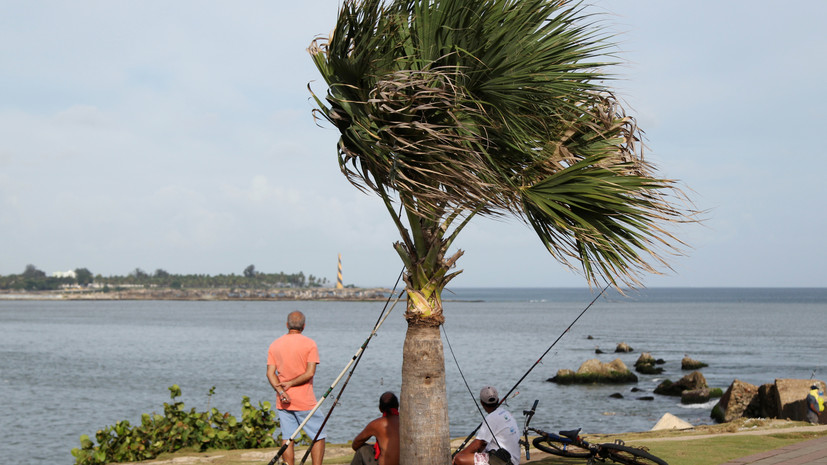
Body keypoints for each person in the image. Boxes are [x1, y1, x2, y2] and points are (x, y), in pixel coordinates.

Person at [266, 310, 326, 465]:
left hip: (283, 401)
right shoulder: (310, 344)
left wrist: (281, 391)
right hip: (305, 400)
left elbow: (270, 373)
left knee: (288, 437)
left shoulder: (275, 344)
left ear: (287, 325)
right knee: (318, 435)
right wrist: (291, 384)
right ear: (304, 326)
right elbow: (310, 373)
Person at [452, 386, 520, 465]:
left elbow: (478, 444)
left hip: (502, 461)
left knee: (460, 459)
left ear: (481, 403)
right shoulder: (506, 413)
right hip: (513, 459)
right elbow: (483, 443)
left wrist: (458, 455)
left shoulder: (491, 418)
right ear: (497, 400)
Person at [349, 391, 400, 465]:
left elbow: (356, 444)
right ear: (397, 406)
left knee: (362, 449)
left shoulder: (376, 424)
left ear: (380, 408)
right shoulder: (406, 422)